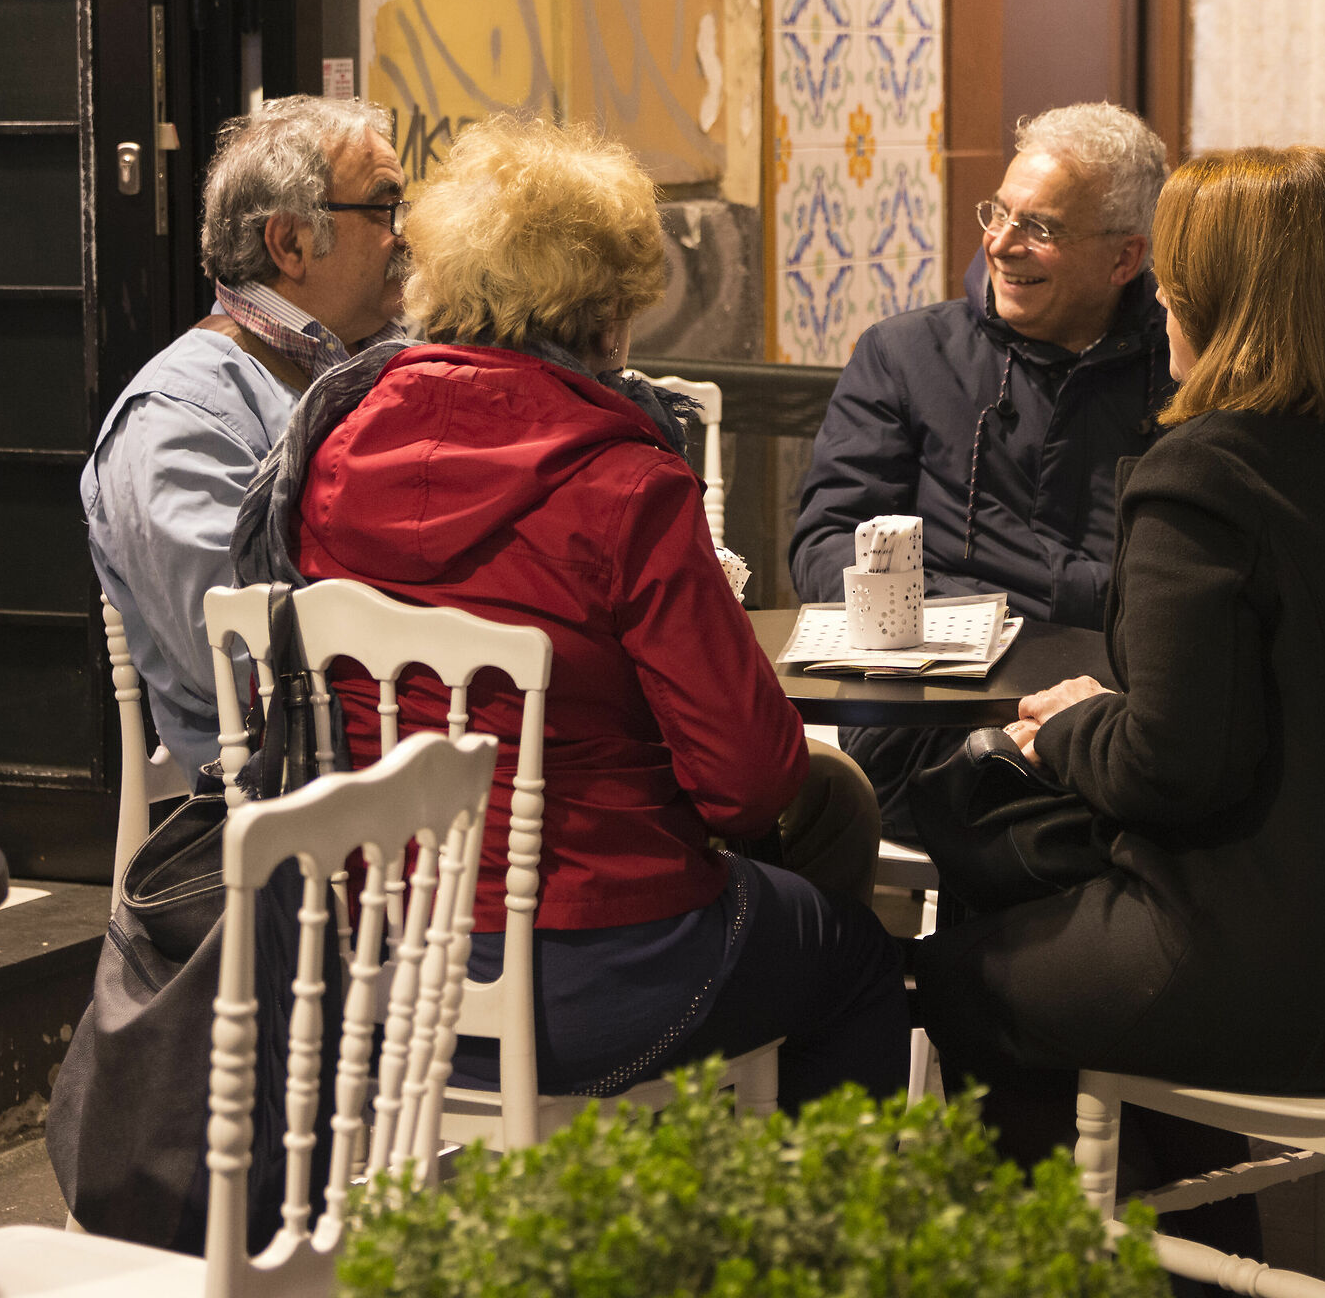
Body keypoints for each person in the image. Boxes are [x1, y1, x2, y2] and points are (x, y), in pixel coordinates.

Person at [912, 147, 1325, 1259]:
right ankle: (1204, 1253)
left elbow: (1174, 768)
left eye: (1173, 282)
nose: (1161, 303)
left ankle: (1096, 1272)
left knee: (963, 968)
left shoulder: (1204, 473)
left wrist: (1072, 720)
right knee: (1036, 891)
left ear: (1213, 299)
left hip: (1279, 979)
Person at [284, 113, 906, 1107]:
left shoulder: (334, 454)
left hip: (381, 960)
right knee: (859, 959)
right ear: (610, 310)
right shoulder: (626, 483)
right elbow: (746, 783)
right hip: (601, 970)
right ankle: (767, 1242)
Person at [788, 102, 1171, 839]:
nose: (1000, 243)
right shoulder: (905, 355)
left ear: (1125, 258)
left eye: (1042, 228)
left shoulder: (1183, 372)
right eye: (999, 212)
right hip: (929, 719)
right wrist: (960, 613)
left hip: (1119, 711)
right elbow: (827, 542)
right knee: (1010, 796)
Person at [81, 95, 413, 790]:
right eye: (384, 208)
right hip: (283, 807)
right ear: (290, 244)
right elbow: (237, 666)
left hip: (397, 752)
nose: (404, 236)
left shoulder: (385, 357)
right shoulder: (179, 417)